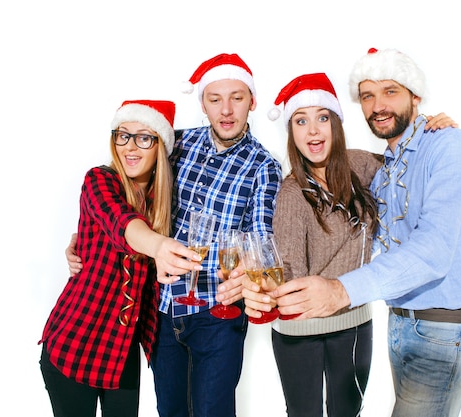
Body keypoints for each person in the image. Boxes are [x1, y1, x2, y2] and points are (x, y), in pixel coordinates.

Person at [245, 48, 461, 417]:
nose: (378, 105)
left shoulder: (436, 149)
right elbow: (282, 265)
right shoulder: (380, 167)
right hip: (399, 322)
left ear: (415, 95)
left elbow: (432, 250)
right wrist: (261, 296)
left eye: (391, 91)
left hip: (440, 329)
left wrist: (342, 290)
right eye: (367, 95)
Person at [67, 53, 283, 417]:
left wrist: (248, 271)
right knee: (170, 410)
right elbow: (130, 184)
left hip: (217, 314)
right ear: (203, 103)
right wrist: (86, 236)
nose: (226, 110)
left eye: (237, 98)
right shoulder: (177, 144)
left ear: (253, 102)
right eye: (215, 99)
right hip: (161, 311)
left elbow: (260, 238)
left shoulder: (265, 167)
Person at [39, 100, 202, 417]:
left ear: (160, 146)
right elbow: (123, 223)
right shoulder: (99, 181)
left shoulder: (164, 200)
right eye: (123, 135)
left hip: (122, 351)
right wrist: (157, 246)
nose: (131, 146)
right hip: (75, 342)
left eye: (144, 137)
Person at [264, 72, 381, 417]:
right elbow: (288, 276)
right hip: (301, 332)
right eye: (301, 121)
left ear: (336, 124)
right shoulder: (292, 195)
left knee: (349, 412)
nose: (313, 131)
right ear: (292, 132)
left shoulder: (360, 164)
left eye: (322, 118)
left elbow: (409, 165)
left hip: (355, 324)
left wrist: (430, 127)